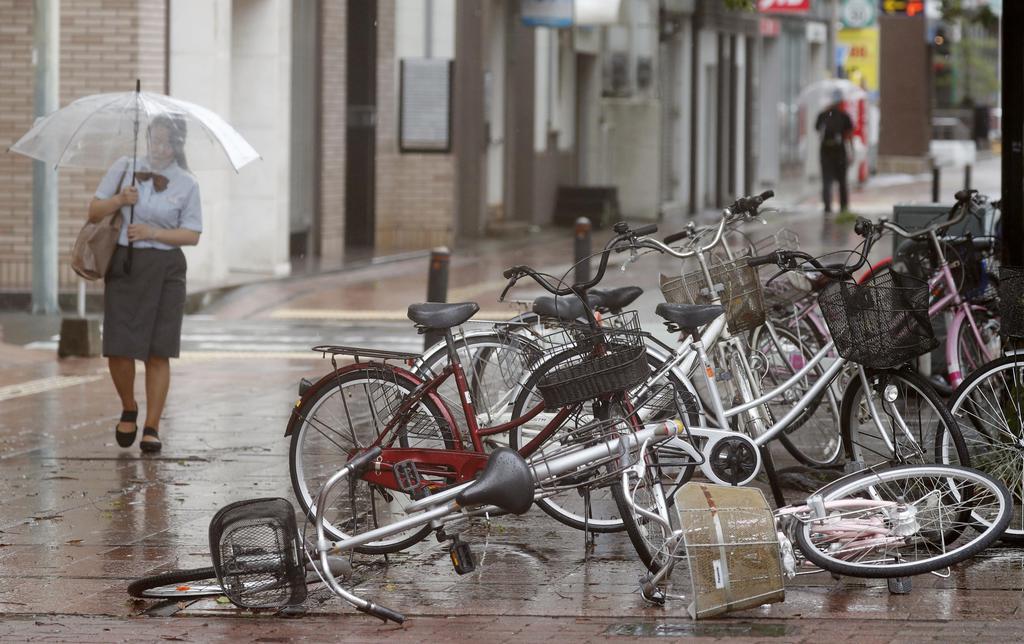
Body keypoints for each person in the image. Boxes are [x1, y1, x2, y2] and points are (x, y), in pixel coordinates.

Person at [87, 114, 202, 453]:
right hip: (126, 263)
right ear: (147, 139)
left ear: (178, 145)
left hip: (167, 268)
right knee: (119, 345)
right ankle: (129, 406)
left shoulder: (187, 183)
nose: (161, 148)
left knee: (158, 350)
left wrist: (153, 232)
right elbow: (94, 211)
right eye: (156, 140)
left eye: (168, 142)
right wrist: (121, 201)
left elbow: (192, 234)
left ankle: (152, 426)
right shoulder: (125, 167)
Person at [815, 89, 854, 214]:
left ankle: (827, 207)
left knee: (827, 180)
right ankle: (843, 207)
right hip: (840, 152)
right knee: (842, 181)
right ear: (840, 101)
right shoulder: (844, 116)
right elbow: (849, 135)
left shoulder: (823, 115)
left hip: (825, 151)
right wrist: (851, 152)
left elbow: (817, 130)